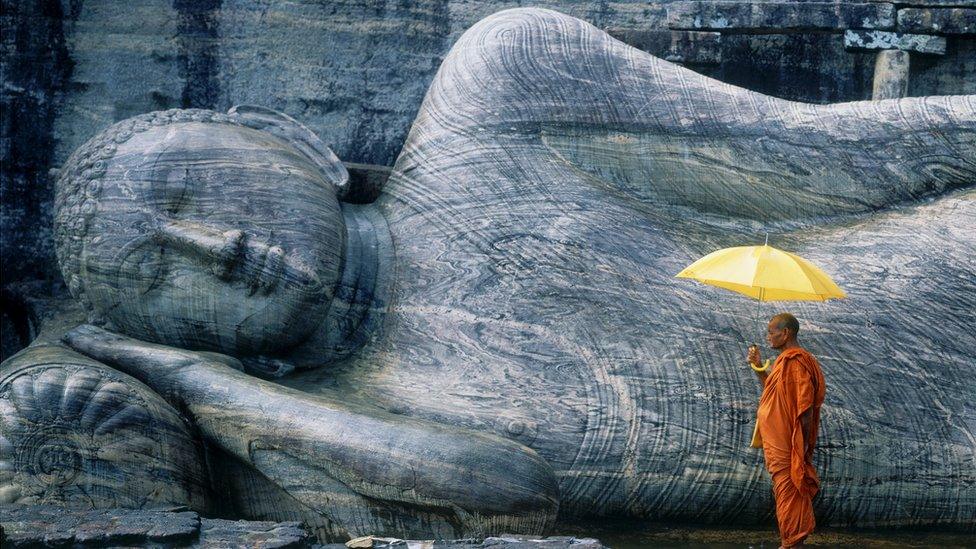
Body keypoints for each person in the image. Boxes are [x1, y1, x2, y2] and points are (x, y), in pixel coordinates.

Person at [748, 313, 826, 548]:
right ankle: (791, 543)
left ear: (786, 333)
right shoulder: (785, 362)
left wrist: (799, 447)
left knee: (789, 491)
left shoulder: (795, 362)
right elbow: (776, 392)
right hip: (780, 440)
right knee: (786, 491)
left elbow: (805, 408)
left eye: (772, 332)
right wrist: (759, 366)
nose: (768, 336)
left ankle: (791, 544)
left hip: (788, 443)